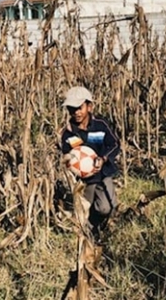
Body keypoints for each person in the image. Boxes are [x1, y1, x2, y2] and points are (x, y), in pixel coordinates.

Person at [60, 86, 120, 243]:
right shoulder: (68, 133)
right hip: (84, 179)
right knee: (82, 212)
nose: (76, 113)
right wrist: (68, 161)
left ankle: (97, 223)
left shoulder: (100, 125)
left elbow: (114, 144)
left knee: (106, 208)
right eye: (72, 109)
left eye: (79, 108)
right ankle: (88, 235)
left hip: (103, 174)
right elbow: (67, 153)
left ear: (89, 106)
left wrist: (103, 158)